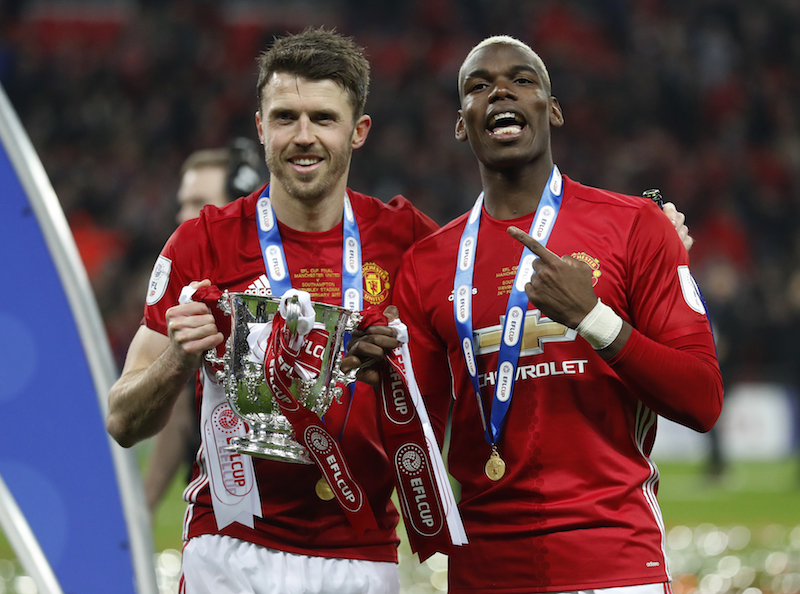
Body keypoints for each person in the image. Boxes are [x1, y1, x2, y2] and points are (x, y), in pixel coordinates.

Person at [352, 36, 723, 593]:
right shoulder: (430, 263)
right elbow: (411, 441)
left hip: (614, 564)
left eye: (522, 80)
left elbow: (702, 400)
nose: (500, 90)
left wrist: (594, 318)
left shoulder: (635, 227)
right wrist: (376, 381)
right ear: (462, 123)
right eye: (478, 86)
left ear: (552, 110)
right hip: (484, 573)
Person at [107, 28, 439, 594]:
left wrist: (400, 375)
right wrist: (177, 362)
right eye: (285, 117)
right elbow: (122, 420)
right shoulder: (201, 243)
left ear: (358, 131)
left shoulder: (407, 241)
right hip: (231, 546)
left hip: (360, 552)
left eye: (323, 119)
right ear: (261, 127)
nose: (303, 137)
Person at [143, 138, 264, 516]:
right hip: (221, 512)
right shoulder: (183, 281)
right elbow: (167, 411)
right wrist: (138, 513)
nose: (183, 215)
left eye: (197, 203)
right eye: (182, 202)